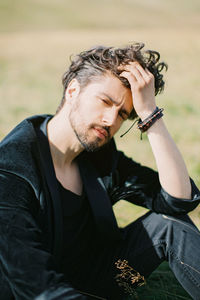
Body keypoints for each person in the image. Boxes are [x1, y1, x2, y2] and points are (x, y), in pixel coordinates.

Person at [0, 43, 200, 300]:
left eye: (123, 114)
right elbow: (32, 282)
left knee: (171, 224)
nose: (111, 120)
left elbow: (178, 201)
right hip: (40, 291)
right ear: (73, 91)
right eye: (105, 101)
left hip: (101, 280)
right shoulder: (11, 170)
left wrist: (150, 115)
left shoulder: (100, 156)